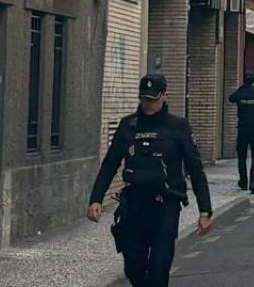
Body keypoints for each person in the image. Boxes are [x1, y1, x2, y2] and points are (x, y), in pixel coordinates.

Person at [88, 74, 213, 287]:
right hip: (134, 206)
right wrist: (96, 199)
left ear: (165, 96)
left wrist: (205, 211)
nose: (147, 104)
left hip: (166, 206)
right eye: (144, 99)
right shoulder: (128, 126)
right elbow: (110, 163)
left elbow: (195, 169)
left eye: (152, 99)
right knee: (133, 269)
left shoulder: (178, 127)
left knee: (158, 270)